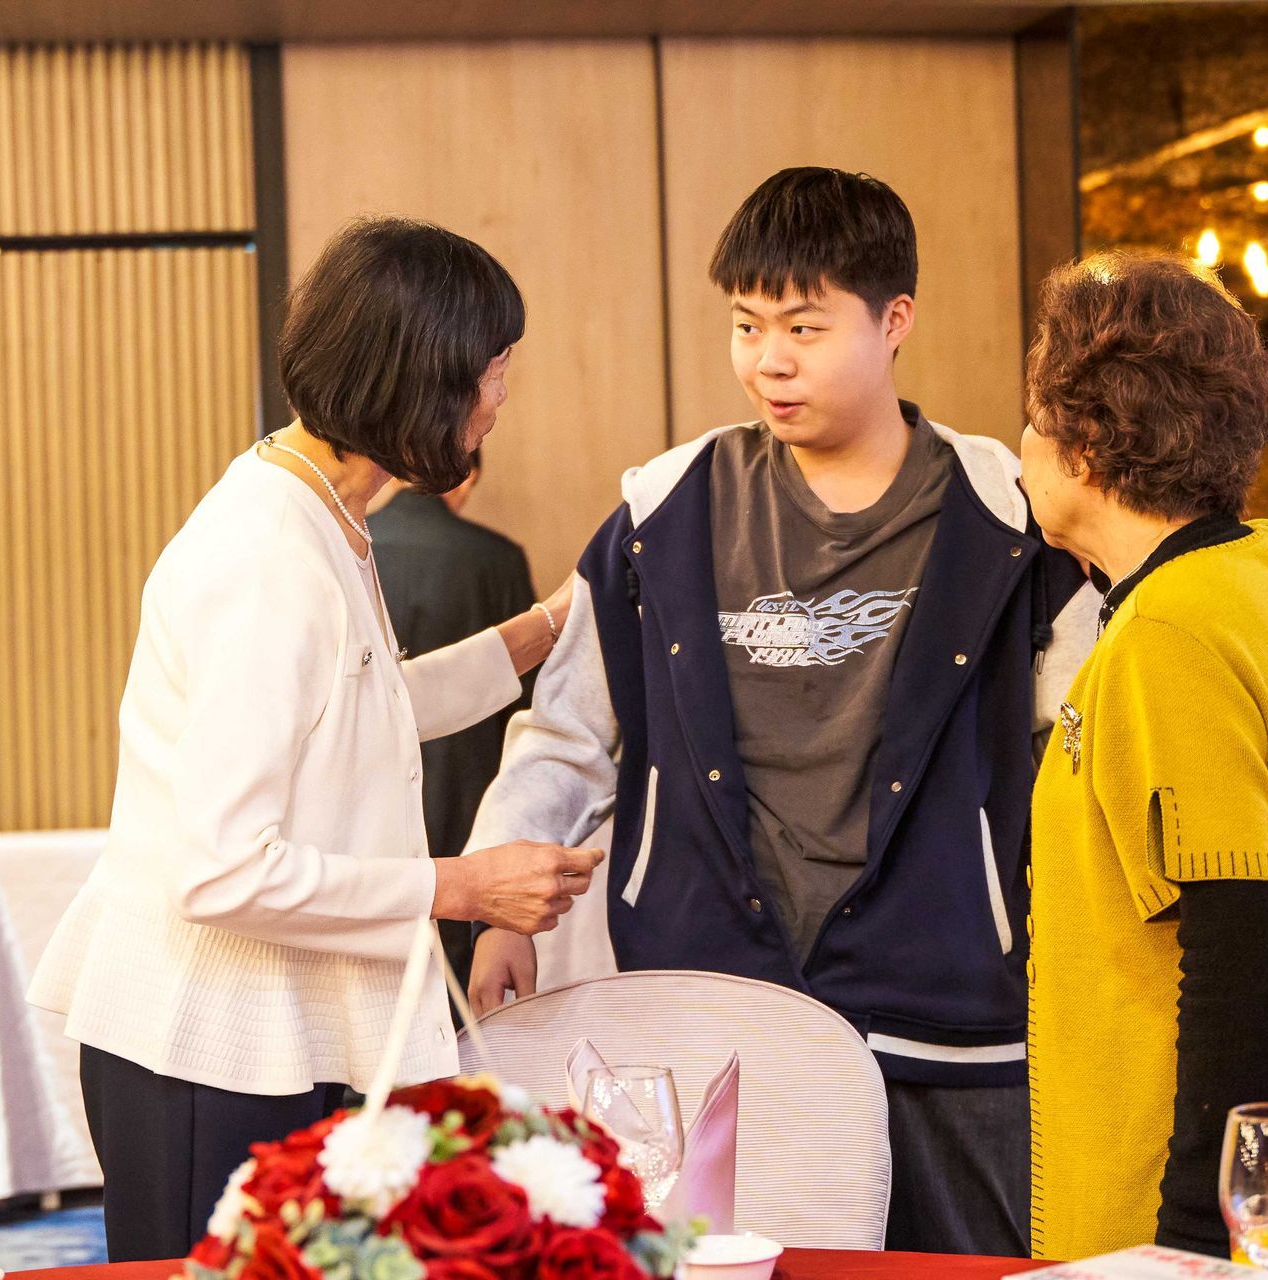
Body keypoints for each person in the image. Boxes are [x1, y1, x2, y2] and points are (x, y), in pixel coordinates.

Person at [465, 167, 1097, 1256]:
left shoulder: (1008, 519)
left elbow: (1083, 752)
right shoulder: (666, 511)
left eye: (805, 326)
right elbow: (567, 733)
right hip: (714, 1003)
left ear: (895, 320)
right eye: (746, 324)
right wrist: (498, 907)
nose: (770, 359)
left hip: (945, 1015)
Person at [27, 217, 603, 1262]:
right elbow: (222, 871)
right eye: (492, 371)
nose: (499, 401)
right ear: (419, 381)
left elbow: (354, 707)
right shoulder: (269, 560)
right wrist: (461, 886)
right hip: (203, 1046)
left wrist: (540, 629)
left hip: (253, 1031)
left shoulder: (312, 505)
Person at [1020, 251, 1268, 1261]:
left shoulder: (1166, 633)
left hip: (1175, 1218)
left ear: (1086, 447)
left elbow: (1242, 945)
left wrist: (1194, 1237)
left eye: (1033, 417)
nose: (1020, 446)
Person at [370, 449, 539, 991]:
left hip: (368, 800)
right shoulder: (495, 558)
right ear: (466, 475)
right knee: (458, 983)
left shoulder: (355, 547)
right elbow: (529, 703)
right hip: (469, 796)